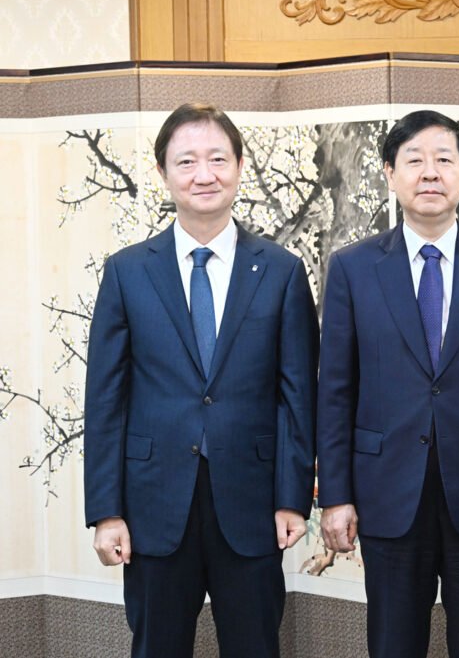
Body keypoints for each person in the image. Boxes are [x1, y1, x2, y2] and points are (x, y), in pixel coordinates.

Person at [84, 103, 319, 658]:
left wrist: (293, 498)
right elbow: (106, 399)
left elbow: (296, 397)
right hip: (152, 505)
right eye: (186, 161)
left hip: (253, 501)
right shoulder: (127, 271)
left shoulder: (281, 271)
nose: (203, 174)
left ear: (238, 165)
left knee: (256, 646)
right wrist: (106, 511)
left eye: (217, 158)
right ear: (164, 173)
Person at [315, 109, 459, 658]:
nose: (430, 173)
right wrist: (337, 495)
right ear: (391, 174)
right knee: (393, 645)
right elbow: (335, 390)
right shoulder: (353, 267)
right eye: (414, 161)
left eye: (444, 160)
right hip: (386, 494)